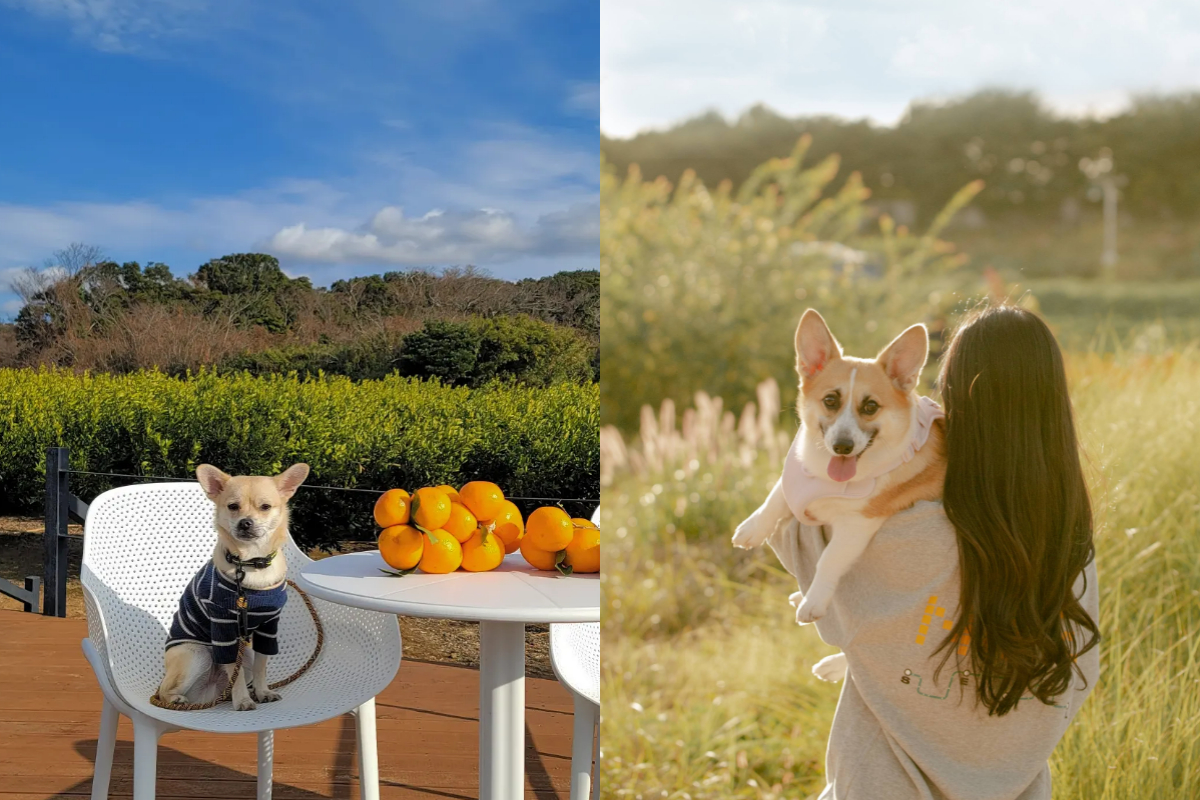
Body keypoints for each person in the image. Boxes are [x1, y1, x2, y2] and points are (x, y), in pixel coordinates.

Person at [767, 304, 1100, 800]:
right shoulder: (1067, 538)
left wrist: (828, 428)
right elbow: (1078, 672)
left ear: (955, 392)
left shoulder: (902, 523)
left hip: (883, 783)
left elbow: (796, 527)